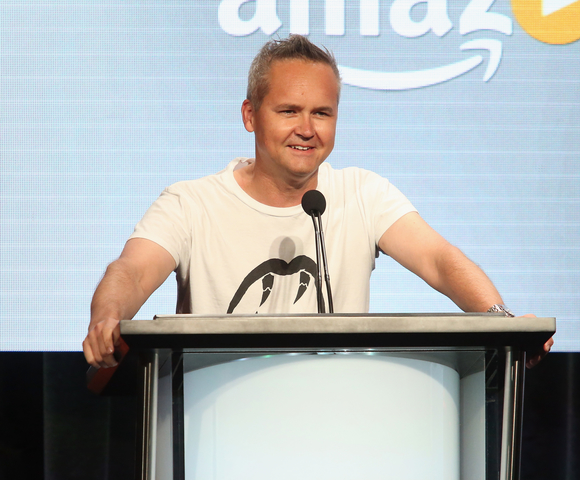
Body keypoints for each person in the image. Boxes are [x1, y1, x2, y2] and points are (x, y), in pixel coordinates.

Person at [83, 35, 553, 369]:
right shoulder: (191, 203)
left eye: (322, 113)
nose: (307, 129)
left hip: (336, 414)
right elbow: (132, 271)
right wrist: (107, 317)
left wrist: (499, 321)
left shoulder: (361, 193)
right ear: (250, 115)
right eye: (289, 111)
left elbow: (439, 260)